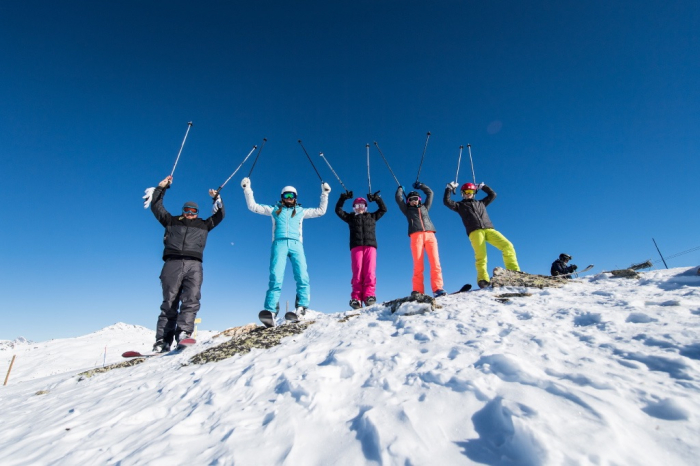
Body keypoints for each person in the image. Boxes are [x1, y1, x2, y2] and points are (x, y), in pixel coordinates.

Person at [150, 176, 224, 352]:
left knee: (191, 299)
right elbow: (156, 207)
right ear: (183, 210)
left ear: (197, 212)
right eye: (187, 210)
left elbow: (220, 215)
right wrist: (162, 188)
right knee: (170, 301)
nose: (190, 213)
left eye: (193, 211)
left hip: (194, 264)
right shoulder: (171, 221)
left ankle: (184, 333)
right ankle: (162, 340)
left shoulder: (203, 224)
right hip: (172, 263)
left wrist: (217, 199)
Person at [241, 177, 330, 318]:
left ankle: (301, 307)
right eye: (286, 195)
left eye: (292, 195)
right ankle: (271, 310)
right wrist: (247, 189)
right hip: (279, 244)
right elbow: (253, 206)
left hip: (296, 245)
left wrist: (325, 194)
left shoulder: (301, 211)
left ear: (295, 198)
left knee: (302, 275)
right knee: (276, 276)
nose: (289, 198)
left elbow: (320, 211)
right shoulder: (274, 210)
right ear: (282, 197)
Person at [444, 182, 520, 288]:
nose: (468, 194)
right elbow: (447, 202)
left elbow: (493, 195)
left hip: (489, 229)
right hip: (475, 231)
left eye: (470, 191)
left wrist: (483, 187)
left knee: (508, 245)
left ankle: (514, 273)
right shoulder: (459, 206)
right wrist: (449, 189)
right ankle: (483, 279)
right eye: (466, 192)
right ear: (462, 193)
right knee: (481, 256)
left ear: (474, 192)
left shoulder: (481, 203)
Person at [335, 191, 387, 309]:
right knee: (357, 272)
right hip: (356, 246)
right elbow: (338, 210)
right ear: (354, 208)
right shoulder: (351, 218)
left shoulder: (372, 217)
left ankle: (369, 296)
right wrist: (342, 198)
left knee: (369, 271)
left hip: (370, 246)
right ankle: (356, 298)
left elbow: (383, 209)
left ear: (366, 207)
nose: (360, 208)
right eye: (357, 206)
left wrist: (377, 199)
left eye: (362, 205)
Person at [396, 182, 446, 297]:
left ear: (419, 199)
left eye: (415, 198)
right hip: (416, 236)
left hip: (430, 235)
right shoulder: (407, 210)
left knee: (435, 263)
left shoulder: (425, 207)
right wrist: (400, 189)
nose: (413, 201)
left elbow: (430, 193)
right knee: (418, 265)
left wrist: (421, 185)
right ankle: (418, 291)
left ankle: (438, 288)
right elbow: (399, 199)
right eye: (410, 199)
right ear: (408, 202)